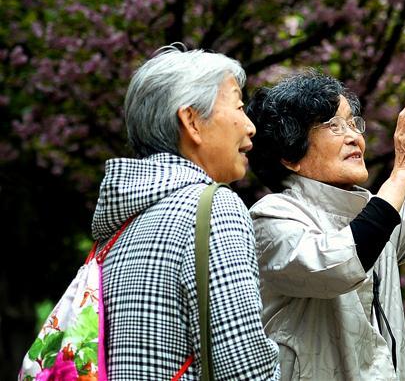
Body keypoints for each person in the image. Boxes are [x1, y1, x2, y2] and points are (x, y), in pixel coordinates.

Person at [247, 59, 405, 381]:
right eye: (334, 126)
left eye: (353, 124)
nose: (354, 137)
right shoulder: (271, 218)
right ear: (290, 155)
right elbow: (336, 266)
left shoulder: (377, 214)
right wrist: (402, 172)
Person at [92, 45, 280, 381]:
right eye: (238, 106)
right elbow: (244, 366)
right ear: (191, 121)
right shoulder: (212, 208)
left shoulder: (119, 229)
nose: (250, 126)